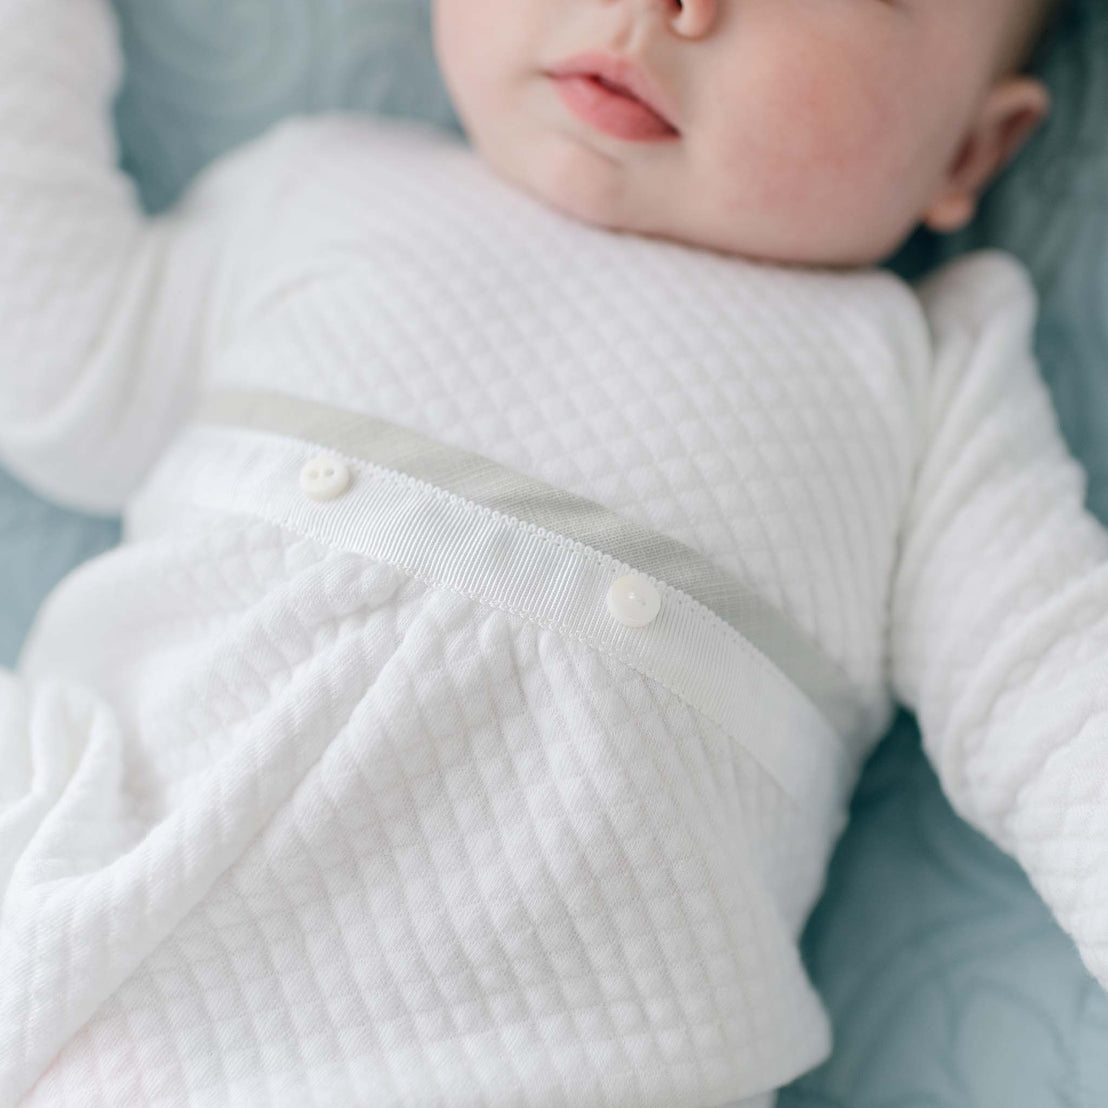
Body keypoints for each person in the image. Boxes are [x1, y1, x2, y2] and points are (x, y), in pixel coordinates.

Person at [2, 0, 1099, 1105]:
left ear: (970, 146)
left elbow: (1057, 694)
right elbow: (54, 342)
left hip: (533, 1058)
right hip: (73, 897)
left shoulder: (916, 383)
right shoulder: (318, 189)